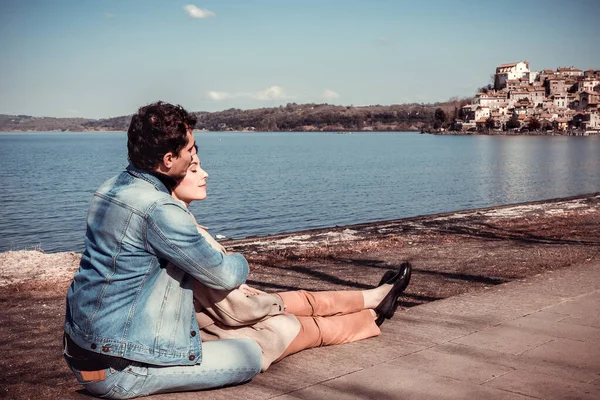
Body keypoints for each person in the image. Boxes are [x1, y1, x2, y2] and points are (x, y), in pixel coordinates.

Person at [63, 102, 263, 399]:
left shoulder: (108, 189)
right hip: (119, 369)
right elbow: (221, 275)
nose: (195, 155)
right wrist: (241, 261)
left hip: (82, 348)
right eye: (191, 150)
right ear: (169, 159)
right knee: (250, 354)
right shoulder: (160, 209)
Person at [170, 152, 413, 371]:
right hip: (226, 332)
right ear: (171, 175)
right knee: (308, 326)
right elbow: (236, 312)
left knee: (303, 300)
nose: (205, 173)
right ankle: (371, 315)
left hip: (222, 318)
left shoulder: (181, 222)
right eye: (194, 169)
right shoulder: (184, 233)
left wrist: (243, 289)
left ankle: (374, 298)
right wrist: (268, 300)